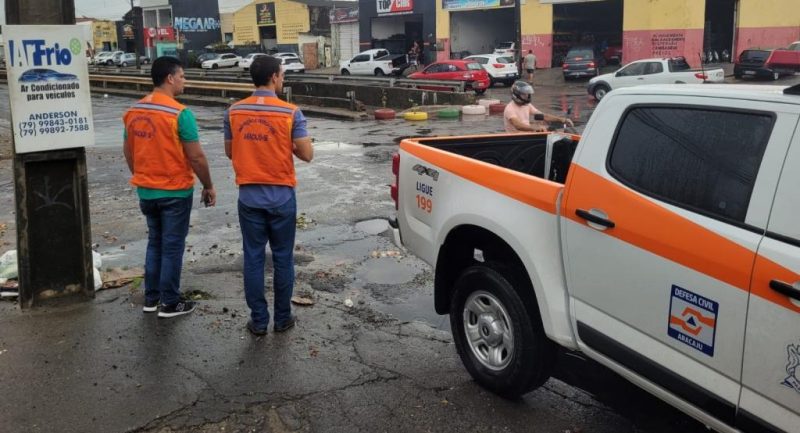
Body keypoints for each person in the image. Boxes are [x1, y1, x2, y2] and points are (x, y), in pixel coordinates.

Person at [224, 56, 313, 336]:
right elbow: (307, 154)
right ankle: (283, 318)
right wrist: (287, 146)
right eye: (282, 75)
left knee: (253, 258)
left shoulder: (233, 112)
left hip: (249, 197)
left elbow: (230, 151)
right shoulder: (290, 112)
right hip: (281, 197)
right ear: (274, 77)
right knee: (283, 257)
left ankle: (259, 321)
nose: (283, 79)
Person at [123, 56, 216, 318]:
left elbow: (129, 151)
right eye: (182, 76)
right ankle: (171, 302)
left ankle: (151, 299)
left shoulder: (133, 112)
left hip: (146, 191)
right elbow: (196, 157)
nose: (185, 81)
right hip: (175, 191)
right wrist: (208, 185)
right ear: (170, 78)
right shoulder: (179, 114)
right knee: (172, 246)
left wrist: (141, 175)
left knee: (155, 242)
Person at [504, 81, 573, 133]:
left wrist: (562, 120)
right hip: (516, 139)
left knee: (552, 130)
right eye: (524, 95)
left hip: (528, 136)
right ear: (516, 95)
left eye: (527, 94)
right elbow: (518, 125)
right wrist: (535, 128)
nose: (527, 96)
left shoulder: (527, 105)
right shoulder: (510, 108)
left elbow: (544, 116)